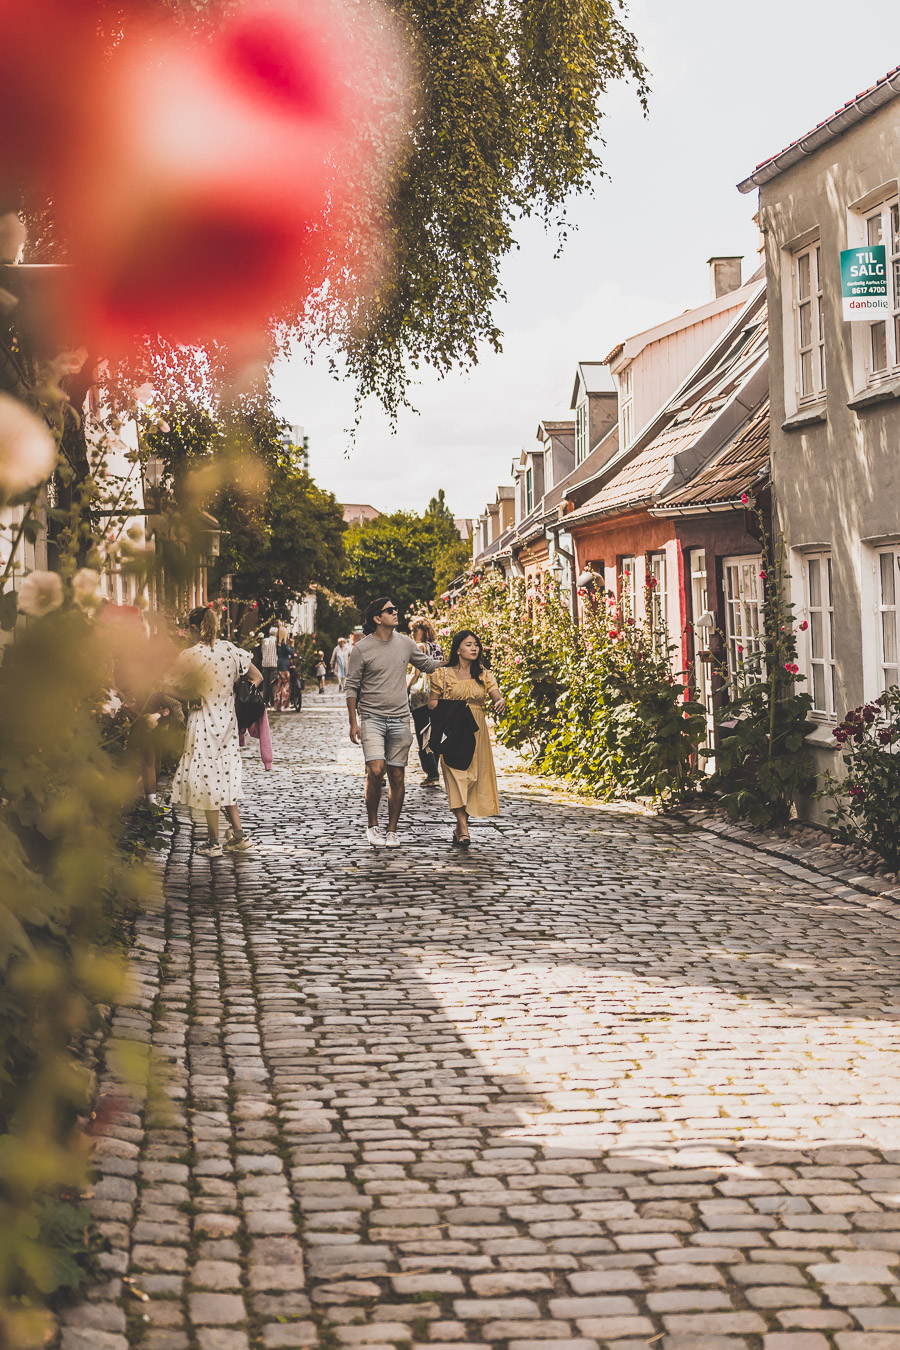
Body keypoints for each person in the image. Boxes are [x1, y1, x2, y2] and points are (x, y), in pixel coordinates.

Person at [169, 606, 264, 857]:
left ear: (192, 629)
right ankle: (239, 835)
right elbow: (257, 676)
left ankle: (213, 843)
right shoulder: (230, 650)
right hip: (228, 722)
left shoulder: (191, 655)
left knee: (206, 780)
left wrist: (190, 697)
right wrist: (242, 692)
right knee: (224, 776)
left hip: (202, 721)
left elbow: (167, 685)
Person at [345, 597, 441, 847]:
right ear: (377, 618)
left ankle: (392, 830)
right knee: (375, 771)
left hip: (400, 719)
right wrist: (352, 722)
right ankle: (372, 825)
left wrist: (460, 660)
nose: (396, 612)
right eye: (390, 610)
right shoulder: (361, 649)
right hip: (372, 719)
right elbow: (351, 687)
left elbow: (429, 666)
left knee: (397, 776)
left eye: (396, 609)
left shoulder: (406, 643)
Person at [427, 628, 505, 848]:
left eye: (476, 645)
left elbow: (497, 696)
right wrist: (452, 709)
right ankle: (463, 827)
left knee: (472, 779)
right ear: (458, 649)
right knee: (456, 777)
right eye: (469, 644)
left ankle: (461, 824)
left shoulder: (484, 674)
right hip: (452, 730)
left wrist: (500, 702)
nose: (474, 648)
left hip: (476, 730)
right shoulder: (442, 675)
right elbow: (432, 702)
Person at [407, 617, 444, 785]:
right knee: (434, 733)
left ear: (424, 631)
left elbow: (415, 674)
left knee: (422, 734)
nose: (413, 634)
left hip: (421, 697)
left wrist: (405, 689)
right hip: (438, 694)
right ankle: (433, 771)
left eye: (415, 630)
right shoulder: (438, 647)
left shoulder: (420, 647)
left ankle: (431, 773)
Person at [274, 631, 295, 711]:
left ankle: (277, 705)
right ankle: (284, 705)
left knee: (279, 686)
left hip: (280, 664)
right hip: (284, 666)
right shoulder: (283, 644)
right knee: (285, 686)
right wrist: (292, 645)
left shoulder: (278, 644)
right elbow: (291, 652)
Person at [260, 625, 278, 706]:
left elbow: (262, 650)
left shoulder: (265, 640)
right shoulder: (277, 641)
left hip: (265, 663)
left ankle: (265, 700)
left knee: (266, 684)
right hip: (274, 663)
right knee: (273, 683)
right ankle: (273, 700)